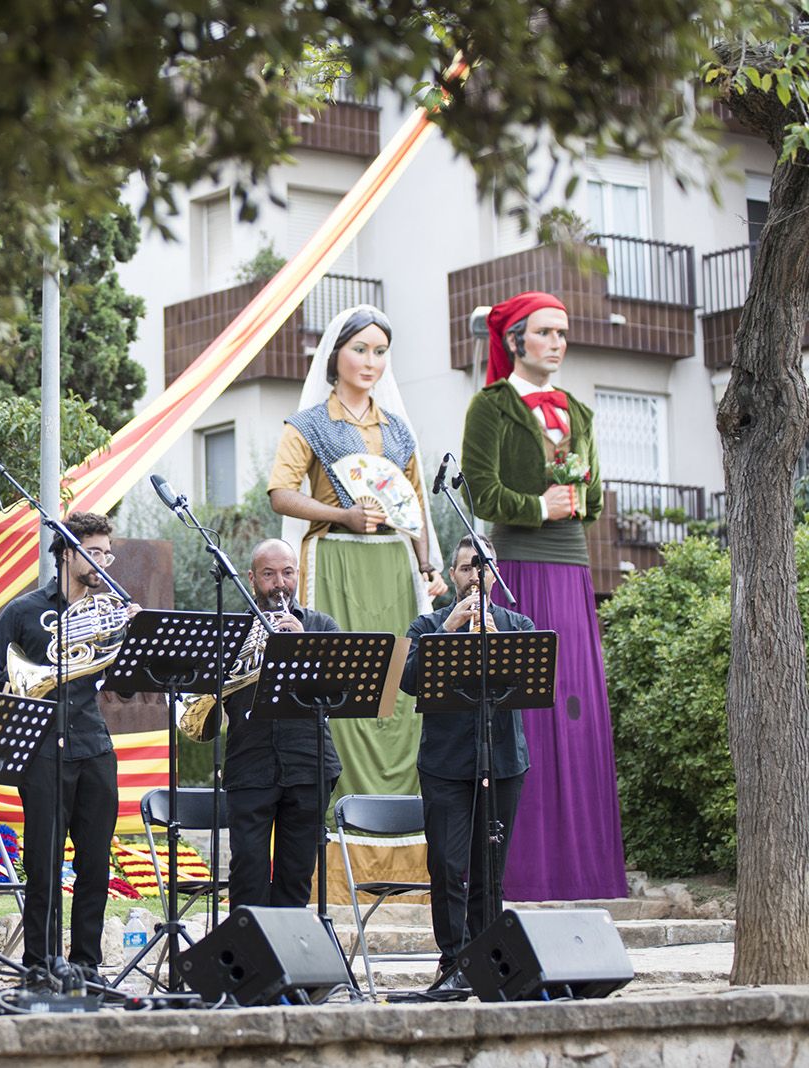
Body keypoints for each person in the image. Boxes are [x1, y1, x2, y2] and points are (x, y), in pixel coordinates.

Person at [266, 305, 445, 887]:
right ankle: (335, 856)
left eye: (380, 351)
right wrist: (342, 512)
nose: (370, 361)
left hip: (393, 566)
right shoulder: (308, 424)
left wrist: (427, 568)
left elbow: (414, 506)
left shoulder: (399, 431)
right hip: (335, 561)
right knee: (340, 693)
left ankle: (407, 848)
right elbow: (280, 494)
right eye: (360, 349)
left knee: (401, 697)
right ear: (334, 355)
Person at [459, 291, 626, 901]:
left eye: (563, 332)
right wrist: (538, 505)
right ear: (516, 340)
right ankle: (521, 871)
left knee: (574, 711)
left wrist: (578, 497)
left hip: (572, 570)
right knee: (524, 712)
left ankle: (583, 870)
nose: (557, 342)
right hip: (521, 571)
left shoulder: (579, 410)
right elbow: (481, 494)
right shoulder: (490, 407)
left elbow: (598, 498)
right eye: (546, 332)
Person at [0, 510, 134, 985]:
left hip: (94, 745)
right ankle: (40, 964)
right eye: (96, 552)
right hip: (41, 749)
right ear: (67, 552)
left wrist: (135, 638)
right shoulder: (24, 612)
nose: (105, 561)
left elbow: (123, 688)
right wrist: (29, 682)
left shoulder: (110, 610)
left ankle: (86, 964)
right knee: (43, 863)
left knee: (95, 863)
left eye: (108, 552)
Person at [402, 534, 533, 993]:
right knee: (447, 863)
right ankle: (453, 960)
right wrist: (450, 631)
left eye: (484, 566)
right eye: (466, 567)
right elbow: (408, 679)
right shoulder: (427, 625)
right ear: (453, 575)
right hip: (445, 764)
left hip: (502, 762)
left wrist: (497, 647)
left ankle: (487, 958)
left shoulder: (517, 624)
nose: (476, 575)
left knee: (489, 869)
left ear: (495, 574)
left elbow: (534, 683)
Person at [221, 538, 342, 908]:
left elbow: (340, 693)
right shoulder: (234, 630)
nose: (279, 583)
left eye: (287, 573)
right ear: (252, 578)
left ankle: (287, 958)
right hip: (249, 763)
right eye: (269, 574)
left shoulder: (321, 626)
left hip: (309, 763)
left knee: (296, 871)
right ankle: (246, 958)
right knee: (248, 869)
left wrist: (303, 646)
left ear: (297, 575)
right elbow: (214, 693)